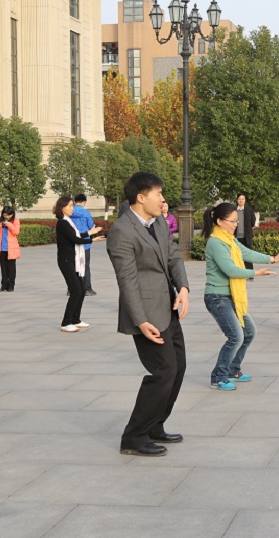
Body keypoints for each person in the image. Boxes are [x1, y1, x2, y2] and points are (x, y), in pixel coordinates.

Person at [106, 171, 190, 458]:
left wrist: (183, 287)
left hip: (168, 308)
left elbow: (173, 254)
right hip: (146, 314)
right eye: (158, 193)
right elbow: (127, 280)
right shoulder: (122, 231)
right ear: (141, 197)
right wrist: (140, 320)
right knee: (163, 370)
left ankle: (155, 425)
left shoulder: (159, 223)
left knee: (178, 367)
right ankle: (133, 436)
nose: (163, 199)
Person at [203, 202, 279, 390]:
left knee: (249, 332)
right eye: (232, 221)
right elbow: (230, 270)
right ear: (219, 221)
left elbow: (246, 253)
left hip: (232, 296)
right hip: (217, 297)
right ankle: (218, 377)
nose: (235, 225)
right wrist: (255, 273)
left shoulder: (230, 240)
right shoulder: (216, 242)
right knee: (235, 336)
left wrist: (272, 258)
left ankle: (233, 370)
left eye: (236, 221)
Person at [54, 196, 103, 332]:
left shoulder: (68, 221)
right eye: (70, 206)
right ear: (62, 208)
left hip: (73, 260)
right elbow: (75, 239)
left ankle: (75, 319)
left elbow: (76, 236)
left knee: (81, 290)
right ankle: (66, 323)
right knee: (75, 291)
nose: (72, 209)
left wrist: (90, 232)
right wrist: (92, 240)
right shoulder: (62, 223)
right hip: (66, 261)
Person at [70, 194, 97, 295]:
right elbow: (91, 227)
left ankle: (71, 289)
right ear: (84, 202)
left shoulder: (69, 212)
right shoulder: (86, 213)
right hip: (85, 243)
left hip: (72, 242)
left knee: (73, 266)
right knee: (85, 266)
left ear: (74, 201)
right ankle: (86, 289)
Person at [0, 206, 20, 292]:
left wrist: (9, 224)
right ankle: (4, 285)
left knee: (11, 269)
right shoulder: (0, 220)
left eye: (8, 215)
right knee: (3, 268)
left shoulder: (15, 220)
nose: (7, 217)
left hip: (11, 249)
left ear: (12, 214)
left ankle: (11, 285)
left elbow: (16, 232)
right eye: (5, 215)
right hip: (2, 248)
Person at [235, 193, 256, 271]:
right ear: (237, 200)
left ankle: (250, 273)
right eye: (239, 199)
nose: (241, 200)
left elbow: (253, 221)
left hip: (246, 238)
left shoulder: (248, 210)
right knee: (236, 256)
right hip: (236, 238)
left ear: (245, 200)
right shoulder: (234, 210)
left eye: (242, 199)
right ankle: (238, 273)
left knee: (248, 256)